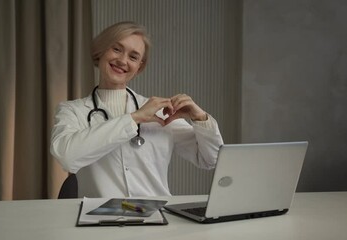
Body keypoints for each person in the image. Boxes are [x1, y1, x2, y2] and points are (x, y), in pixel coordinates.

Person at [50, 21, 223, 197]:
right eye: (116, 49)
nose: (123, 60)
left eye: (133, 57)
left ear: (139, 66)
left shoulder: (160, 111)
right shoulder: (72, 111)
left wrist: (200, 118)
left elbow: (211, 159)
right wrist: (133, 119)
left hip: (156, 219)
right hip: (101, 220)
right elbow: (67, 158)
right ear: (100, 51)